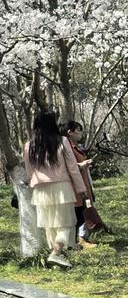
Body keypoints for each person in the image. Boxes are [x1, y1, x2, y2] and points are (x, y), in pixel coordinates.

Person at [25, 110, 87, 269]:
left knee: (50, 225)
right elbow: (73, 168)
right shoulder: (62, 141)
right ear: (52, 124)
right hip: (61, 186)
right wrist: (81, 188)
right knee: (66, 223)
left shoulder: (29, 146)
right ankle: (56, 254)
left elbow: (29, 171)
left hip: (40, 189)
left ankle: (54, 259)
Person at [62, 121, 98, 246]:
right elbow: (66, 165)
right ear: (69, 132)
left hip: (83, 182)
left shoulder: (76, 147)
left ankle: (79, 239)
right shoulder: (66, 147)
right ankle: (76, 240)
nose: (80, 133)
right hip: (74, 184)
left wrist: (86, 164)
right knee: (78, 213)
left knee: (84, 210)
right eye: (78, 130)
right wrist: (81, 165)